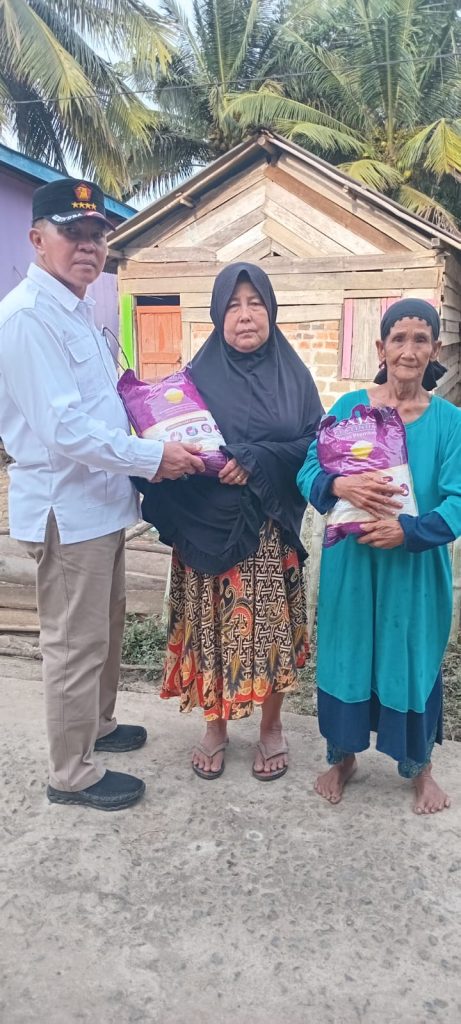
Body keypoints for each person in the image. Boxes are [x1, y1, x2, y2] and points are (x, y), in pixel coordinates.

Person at [0, 177, 205, 811]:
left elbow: (104, 404)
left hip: (102, 503)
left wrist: (161, 422)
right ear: (38, 240)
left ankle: (99, 725)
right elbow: (63, 429)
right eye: (73, 233)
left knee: (106, 630)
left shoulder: (78, 309)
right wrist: (153, 456)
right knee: (74, 644)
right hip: (67, 508)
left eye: (97, 234)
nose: (88, 246)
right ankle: (71, 774)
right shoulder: (29, 318)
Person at [134, 262, 323, 780]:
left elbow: (313, 443)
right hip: (205, 524)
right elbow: (168, 436)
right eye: (234, 305)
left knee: (270, 632)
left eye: (255, 303)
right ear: (218, 315)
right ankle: (214, 726)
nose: (245, 316)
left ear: (271, 311)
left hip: (267, 530)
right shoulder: (194, 379)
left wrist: (256, 459)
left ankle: (271, 727)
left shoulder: (295, 377)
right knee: (212, 630)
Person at [297, 298, 461, 814]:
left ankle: (420, 769)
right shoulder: (349, 408)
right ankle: (342, 757)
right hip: (352, 565)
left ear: (435, 350)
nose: (409, 350)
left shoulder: (449, 423)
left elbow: (458, 500)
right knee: (347, 655)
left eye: (420, 340)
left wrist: (408, 530)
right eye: (399, 339)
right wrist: (339, 483)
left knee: (411, 660)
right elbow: (308, 470)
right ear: (380, 348)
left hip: (413, 569)